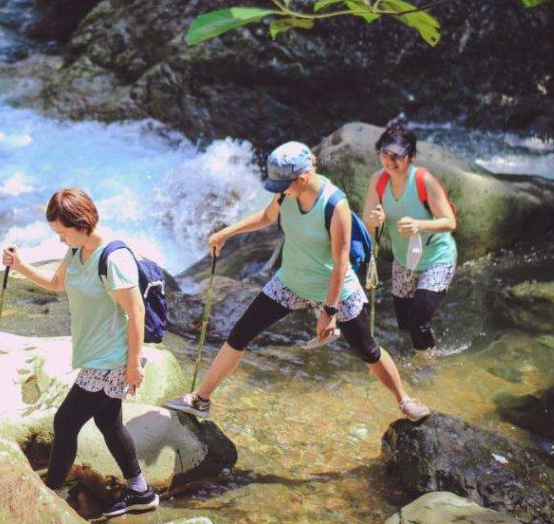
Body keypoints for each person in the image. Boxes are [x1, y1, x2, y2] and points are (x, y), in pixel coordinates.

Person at [165, 141, 430, 422]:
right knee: (239, 334)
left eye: (283, 186)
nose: (279, 192)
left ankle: (404, 399)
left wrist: (329, 312)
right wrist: (225, 233)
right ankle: (201, 399)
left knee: (368, 349)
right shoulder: (285, 194)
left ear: (302, 178)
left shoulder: (334, 205)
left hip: (334, 289)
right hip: (290, 281)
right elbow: (267, 216)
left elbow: (341, 262)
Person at [2, 188, 159, 518]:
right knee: (109, 423)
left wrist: (134, 365)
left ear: (82, 224)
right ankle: (141, 491)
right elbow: (57, 283)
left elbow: (136, 313)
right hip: (96, 355)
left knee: (65, 422)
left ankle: (49, 495)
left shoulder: (113, 259)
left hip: (111, 359)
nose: (59, 239)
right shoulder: (77, 250)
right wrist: (20, 265)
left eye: (62, 232)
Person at [361, 123, 457, 361]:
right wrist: (375, 220)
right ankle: (418, 353)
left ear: (411, 157)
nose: (390, 161)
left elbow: (450, 222)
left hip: (437, 257)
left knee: (418, 321)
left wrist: (419, 225)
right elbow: (367, 223)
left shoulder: (424, 181)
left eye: (398, 156)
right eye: (385, 153)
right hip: (404, 260)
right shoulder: (378, 180)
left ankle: (426, 366)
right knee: (405, 322)